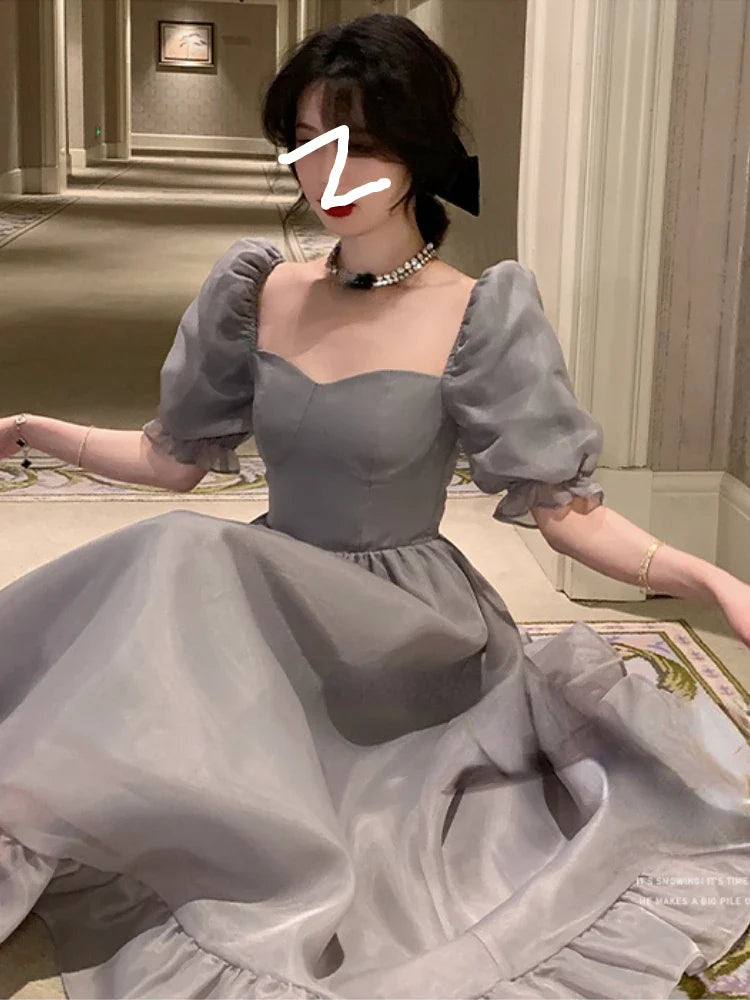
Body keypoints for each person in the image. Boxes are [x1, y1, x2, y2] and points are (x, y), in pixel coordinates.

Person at [1, 12, 749, 1000]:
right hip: (277, 606)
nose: (329, 174)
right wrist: (34, 430)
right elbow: (171, 462)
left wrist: (711, 580)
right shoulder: (258, 289)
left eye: (360, 144)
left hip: (409, 636)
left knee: (182, 558)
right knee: (167, 590)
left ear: (417, 151)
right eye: (309, 143)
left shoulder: (480, 310)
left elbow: (565, 512)